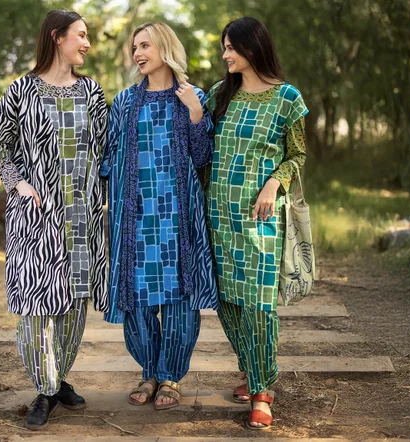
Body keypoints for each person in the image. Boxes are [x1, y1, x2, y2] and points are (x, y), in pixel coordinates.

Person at [0, 9, 109, 430]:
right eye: (82, 35)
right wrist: (18, 185)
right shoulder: (20, 90)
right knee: (37, 305)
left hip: (81, 215)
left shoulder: (91, 91)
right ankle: (45, 387)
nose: (87, 43)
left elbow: (107, 152)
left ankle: (55, 382)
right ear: (57, 37)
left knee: (72, 304)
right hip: (36, 214)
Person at [100, 22, 218, 410]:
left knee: (181, 297)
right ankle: (148, 372)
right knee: (138, 296)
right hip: (134, 217)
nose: (138, 53)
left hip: (177, 217)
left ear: (165, 48)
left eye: (145, 45)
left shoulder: (192, 96)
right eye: (135, 47)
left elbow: (202, 158)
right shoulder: (124, 102)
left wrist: (197, 114)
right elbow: (108, 157)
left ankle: (171, 376)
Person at [205, 16, 309, 429]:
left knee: (259, 303)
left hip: (261, 216)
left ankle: (263, 392)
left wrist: (274, 183)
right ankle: (252, 369)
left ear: (253, 47)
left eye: (231, 46)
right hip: (218, 211)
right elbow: (200, 144)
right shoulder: (220, 94)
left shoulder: (288, 99)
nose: (225, 54)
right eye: (224, 47)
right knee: (228, 298)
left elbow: (297, 155)